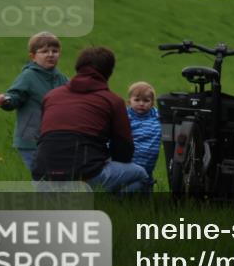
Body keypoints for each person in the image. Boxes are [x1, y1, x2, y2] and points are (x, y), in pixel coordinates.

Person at [32, 46, 148, 192]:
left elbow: (42, 136)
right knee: (141, 175)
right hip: (84, 177)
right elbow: (124, 149)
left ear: (78, 68)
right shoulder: (112, 101)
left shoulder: (51, 96)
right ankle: (111, 210)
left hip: (42, 178)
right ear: (108, 71)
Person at [0, 31, 69, 172]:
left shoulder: (61, 78)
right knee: (42, 178)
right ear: (33, 56)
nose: (51, 54)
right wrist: (5, 101)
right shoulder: (28, 76)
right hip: (31, 140)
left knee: (55, 177)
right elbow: (15, 96)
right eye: (44, 51)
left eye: (55, 51)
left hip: (54, 139)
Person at [127, 81, 161, 191]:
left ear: (152, 103)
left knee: (146, 187)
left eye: (146, 100)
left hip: (149, 164)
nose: (141, 104)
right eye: (137, 100)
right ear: (129, 101)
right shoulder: (125, 117)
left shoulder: (157, 117)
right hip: (130, 163)